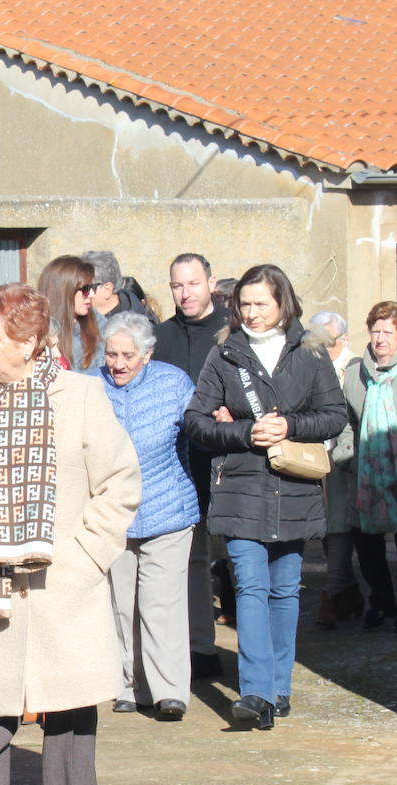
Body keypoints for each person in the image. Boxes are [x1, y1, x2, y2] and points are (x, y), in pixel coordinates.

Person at [0, 283, 139, 785]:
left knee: (72, 709)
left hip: (66, 582)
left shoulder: (80, 396)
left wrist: (87, 556)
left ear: (30, 342)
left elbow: (120, 482)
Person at [183, 264, 345, 730]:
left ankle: (279, 686)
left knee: (284, 590)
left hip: (293, 486)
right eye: (245, 304)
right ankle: (255, 692)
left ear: (283, 304)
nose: (251, 313)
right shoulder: (224, 354)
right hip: (239, 484)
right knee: (250, 586)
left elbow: (334, 415)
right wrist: (243, 431)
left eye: (261, 304)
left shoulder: (310, 353)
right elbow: (196, 421)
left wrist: (289, 426)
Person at [99, 314, 199, 721]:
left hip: (167, 509)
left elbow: (198, 431)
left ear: (147, 355)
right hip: (112, 513)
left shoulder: (173, 383)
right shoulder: (92, 385)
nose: (118, 363)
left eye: (127, 355)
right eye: (111, 354)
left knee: (162, 605)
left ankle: (169, 691)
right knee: (119, 605)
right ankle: (127, 685)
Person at [155, 253, 231, 677]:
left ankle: (208, 642)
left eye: (193, 284)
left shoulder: (230, 335)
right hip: (175, 465)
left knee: (230, 558)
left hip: (226, 460)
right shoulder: (160, 337)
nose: (185, 293)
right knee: (189, 559)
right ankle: (194, 647)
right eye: (177, 286)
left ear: (210, 282)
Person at [343, 301, 397, 633]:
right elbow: (346, 424)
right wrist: (345, 461)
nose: (381, 338)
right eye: (376, 331)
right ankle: (382, 599)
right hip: (365, 475)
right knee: (365, 540)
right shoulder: (356, 375)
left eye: (388, 332)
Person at [307, 311, 363, 627]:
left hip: (343, 459)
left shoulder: (353, 368)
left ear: (343, 340)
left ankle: (333, 592)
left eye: (325, 343)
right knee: (328, 527)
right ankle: (348, 591)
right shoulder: (311, 366)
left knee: (339, 525)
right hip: (315, 456)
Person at [38, 255, 101, 374]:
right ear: (63, 291)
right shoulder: (39, 333)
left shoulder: (101, 326)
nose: (92, 294)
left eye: (94, 287)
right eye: (86, 289)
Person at [81, 250, 156, 323]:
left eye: (85, 288)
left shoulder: (139, 328)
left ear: (107, 289)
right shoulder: (76, 319)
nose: (77, 293)